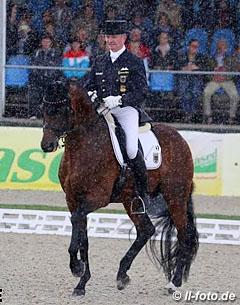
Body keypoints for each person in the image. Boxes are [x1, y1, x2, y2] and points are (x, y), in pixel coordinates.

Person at [86, 20, 157, 217]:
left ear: (124, 38)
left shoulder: (133, 61)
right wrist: (91, 94)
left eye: (114, 37)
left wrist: (120, 99)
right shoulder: (100, 61)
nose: (110, 40)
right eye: (108, 37)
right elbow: (89, 84)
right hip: (102, 110)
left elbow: (142, 91)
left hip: (125, 110)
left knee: (132, 148)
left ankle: (143, 195)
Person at [203, 39, 240, 124]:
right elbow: (207, 70)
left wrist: (225, 76)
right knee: (206, 93)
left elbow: (234, 71)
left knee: (235, 95)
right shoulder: (211, 58)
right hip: (214, 80)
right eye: (220, 46)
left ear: (226, 48)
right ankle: (208, 116)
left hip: (226, 80)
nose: (221, 48)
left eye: (223, 46)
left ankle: (232, 117)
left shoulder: (230, 58)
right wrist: (212, 77)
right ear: (217, 47)